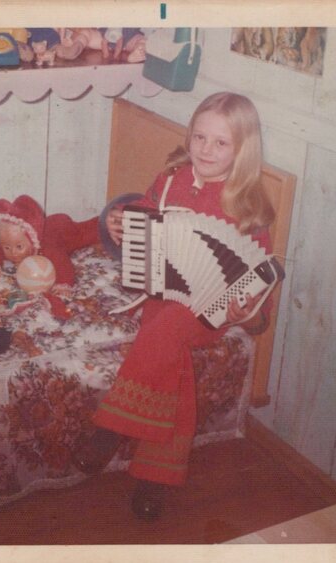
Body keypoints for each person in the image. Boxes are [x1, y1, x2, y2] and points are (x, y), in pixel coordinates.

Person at [73, 92, 277, 519]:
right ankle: (155, 478)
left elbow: (258, 288)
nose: (206, 149)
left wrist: (246, 312)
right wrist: (121, 220)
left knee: (164, 332)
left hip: (209, 310)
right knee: (168, 352)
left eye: (220, 142)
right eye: (199, 137)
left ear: (243, 149)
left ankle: (112, 427)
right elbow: (143, 218)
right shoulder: (171, 180)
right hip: (161, 291)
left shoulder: (250, 208)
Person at [0, 194, 99, 296]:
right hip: (45, 225)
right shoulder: (9, 239)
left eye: (19, 247)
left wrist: (63, 284)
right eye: (7, 247)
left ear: (32, 241)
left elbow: (62, 263)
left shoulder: (48, 248)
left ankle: (105, 220)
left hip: (62, 230)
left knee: (87, 233)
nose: (13, 252)